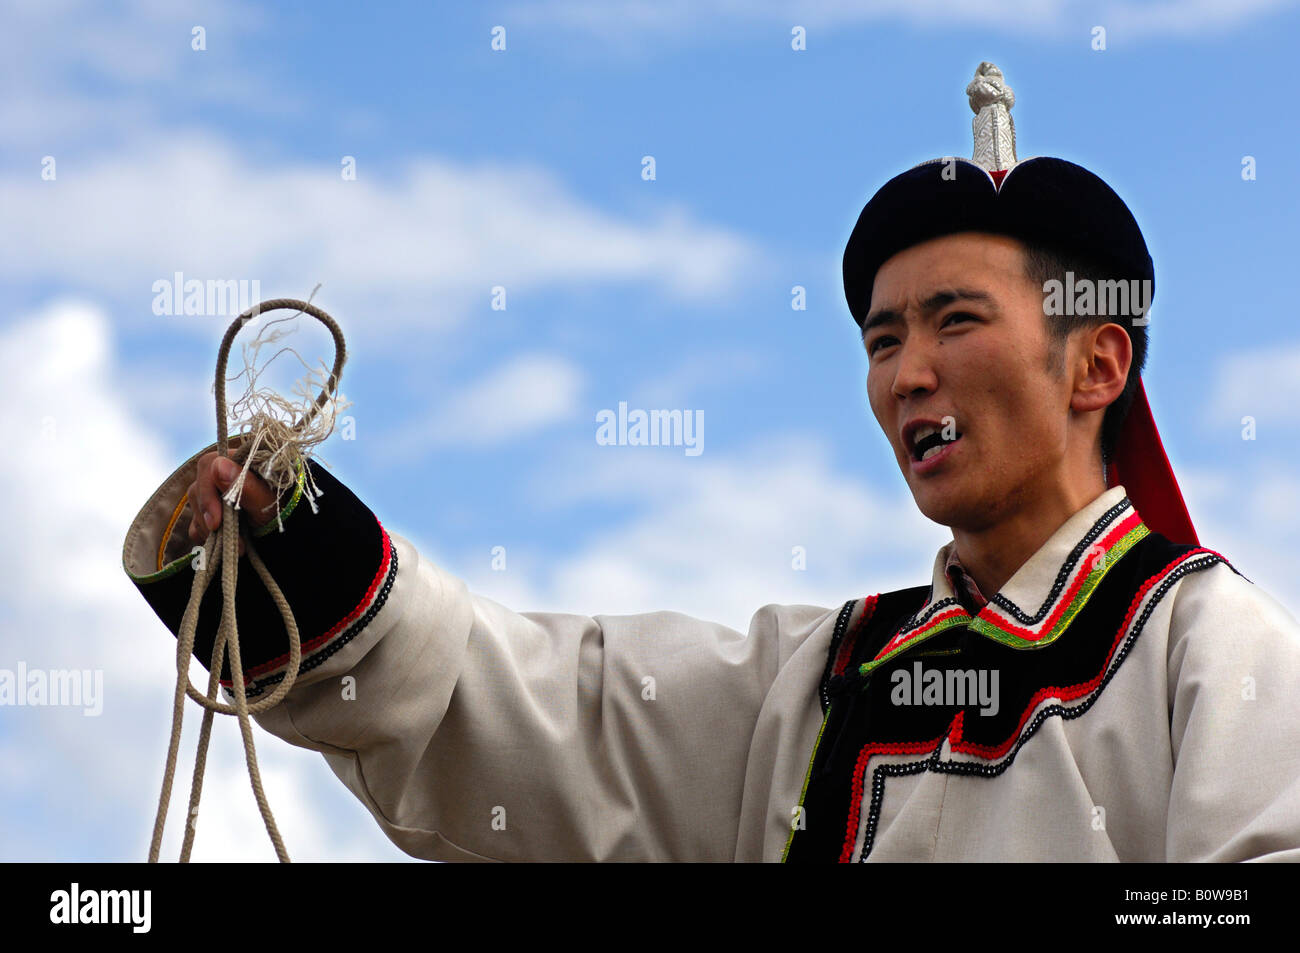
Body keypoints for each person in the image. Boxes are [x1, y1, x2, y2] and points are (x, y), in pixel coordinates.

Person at [122, 62, 1300, 862]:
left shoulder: (1209, 649)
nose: (906, 374)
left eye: (955, 321)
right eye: (882, 339)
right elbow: (564, 716)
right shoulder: (824, 678)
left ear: (1094, 364)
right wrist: (301, 555)